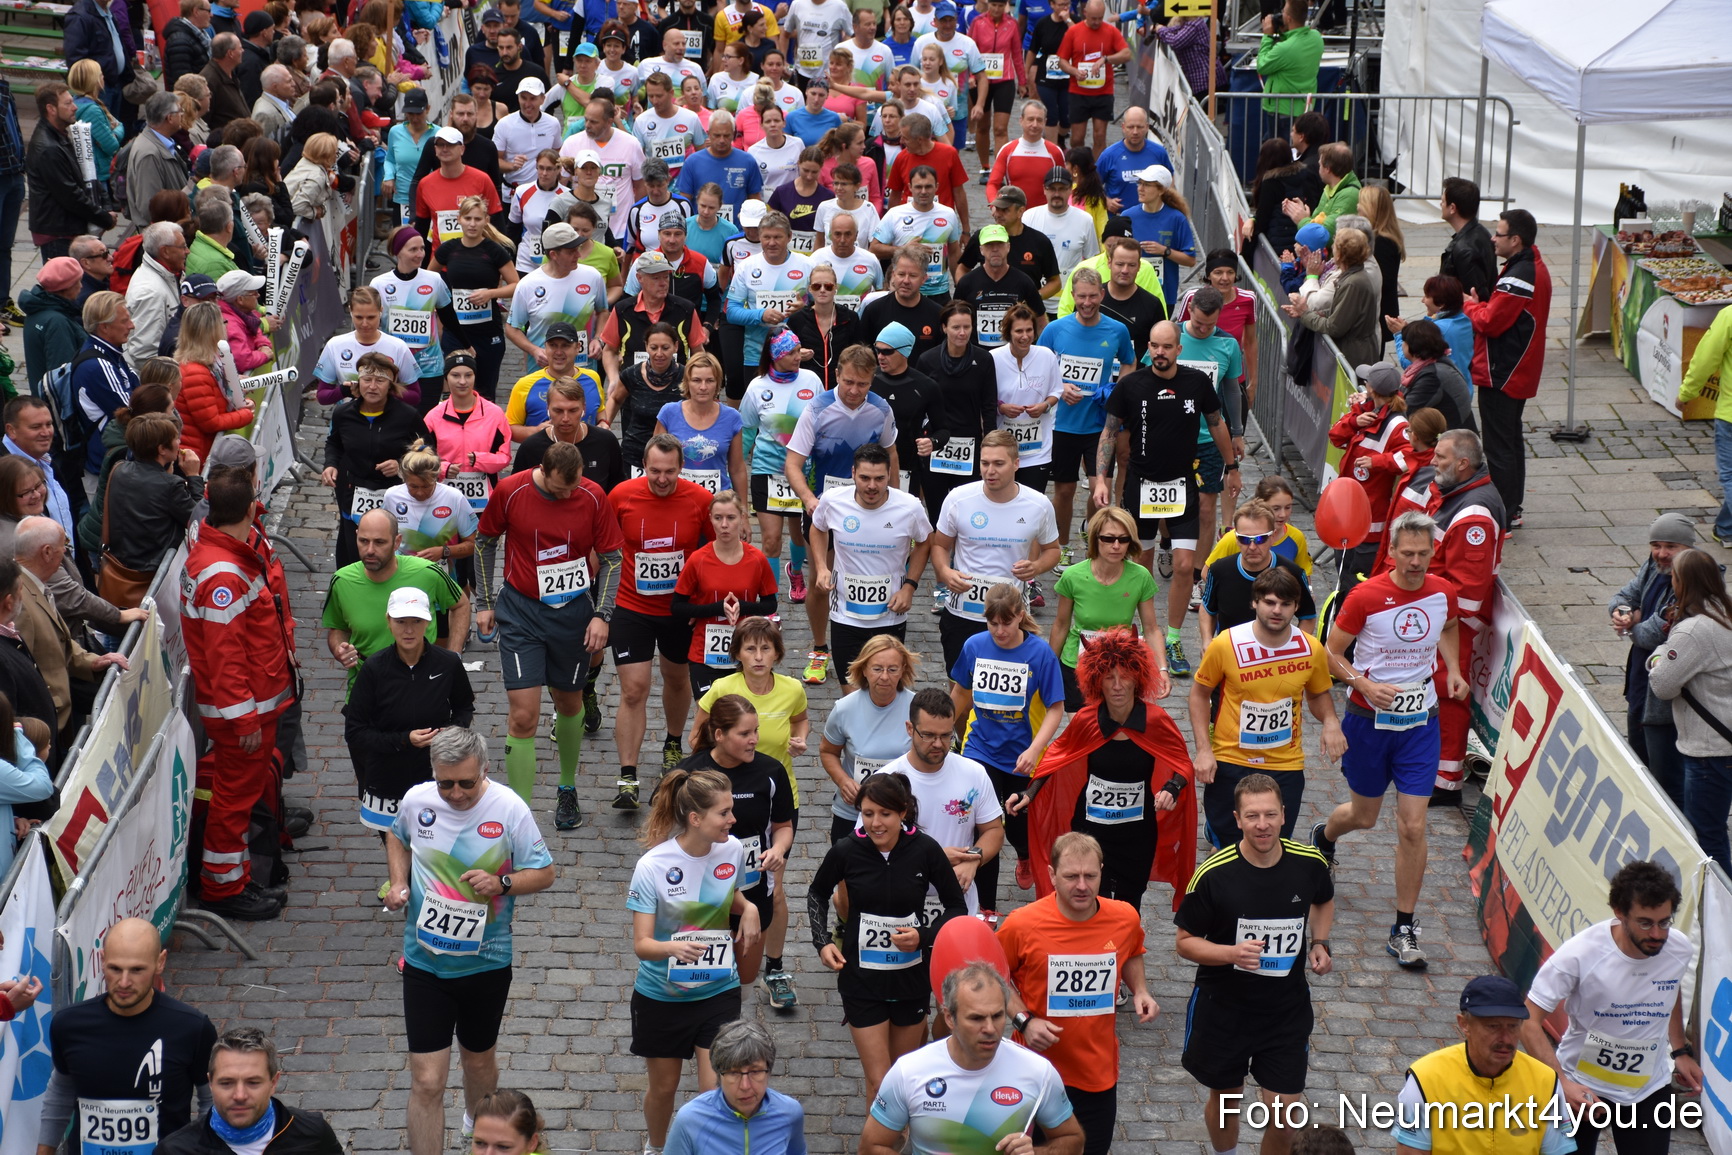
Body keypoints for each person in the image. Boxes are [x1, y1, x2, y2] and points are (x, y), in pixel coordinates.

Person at [381, 728, 554, 1155]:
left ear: (485, 771)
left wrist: (502, 882)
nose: (455, 794)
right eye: (445, 783)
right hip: (424, 964)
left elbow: (545, 872)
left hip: (486, 963)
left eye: (466, 783)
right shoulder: (418, 800)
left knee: (478, 1061)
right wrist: (399, 882)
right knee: (426, 1081)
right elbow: (396, 835)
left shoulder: (510, 808)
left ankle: (479, 1134)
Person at [1312, 510, 1466, 969]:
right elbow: (1330, 653)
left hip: (1421, 723)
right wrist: (1362, 684)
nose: (1416, 562)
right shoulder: (1366, 597)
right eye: (1408, 553)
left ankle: (1404, 927)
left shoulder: (1443, 593)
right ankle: (1325, 835)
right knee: (1364, 815)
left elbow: (1451, 626)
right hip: (1367, 721)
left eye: (1424, 553)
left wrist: (1453, 668)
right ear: (1393, 552)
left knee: (1413, 825)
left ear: (1432, 552)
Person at [1176, 773, 1334, 1155]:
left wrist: (1320, 942)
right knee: (1227, 1099)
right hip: (1224, 1008)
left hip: (1284, 1010)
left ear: (1283, 815)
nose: (1261, 825)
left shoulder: (1309, 862)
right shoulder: (1214, 874)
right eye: (1251, 816)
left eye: (1269, 815)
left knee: (1284, 1117)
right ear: (1237, 818)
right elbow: (1184, 943)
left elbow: (1323, 898)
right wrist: (1231, 953)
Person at [475, 441, 624, 827]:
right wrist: (485, 603)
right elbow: (483, 543)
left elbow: (612, 558)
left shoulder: (592, 496)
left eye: (572, 488)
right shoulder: (511, 491)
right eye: (559, 489)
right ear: (542, 469)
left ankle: (567, 787)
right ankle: (519, 812)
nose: (566, 495)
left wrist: (602, 615)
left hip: (572, 613)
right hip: (521, 612)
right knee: (523, 715)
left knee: (569, 703)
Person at [1522, 860, 1701, 1155]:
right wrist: (1561, 1083)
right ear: (1619, 913)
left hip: (1648, 1088)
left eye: (1664, 922)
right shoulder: (1580, 955)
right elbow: (1528, 1019)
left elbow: (1671, 987)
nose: (1657, 934)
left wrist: (1679, 1050)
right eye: (1645, 922)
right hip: (1581, 1085)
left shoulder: (1678, 948)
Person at [627, 769, 764, 1153]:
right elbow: (642, 944)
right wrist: (672, 948)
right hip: (661, 996)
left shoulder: (732, 850)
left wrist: (749, 906)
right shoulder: (653, 866)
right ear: (695, 818)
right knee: (664, 1088)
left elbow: (725, 894)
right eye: (724, 813)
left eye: (731, 810)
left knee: (716, 1089)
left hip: (718, 989)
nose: (733, 820)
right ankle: (656, 1148)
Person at [810, 771, 968, 1100]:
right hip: (862, 982)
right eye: (868, 814)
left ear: (903, 813)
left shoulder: (925, 850)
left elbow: (956, 906)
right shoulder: (846, 850)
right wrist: (822, 942)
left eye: (885, 814)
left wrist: (924, 936)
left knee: (903, 1081)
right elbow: (817, 893)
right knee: (880, 1082)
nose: (876, 823)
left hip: (909, 980)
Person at [997, 832, 1158, 1155]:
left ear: (1101, 871)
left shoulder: (1124, 917)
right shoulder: (1022, 925)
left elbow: (1133, 950)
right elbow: (993, 977)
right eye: (1071, 876)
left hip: (1096, 1075)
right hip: (1034, 1073)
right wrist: (1025, 1021)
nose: (1082, 885)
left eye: (1090, 876)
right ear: (1052, 874)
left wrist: (1140, 989)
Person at [1096, 320, 1238, 677]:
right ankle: (1144, 636)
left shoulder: (1196, 382)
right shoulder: (1130, 385)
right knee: (1141, 566)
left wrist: (1232, 467)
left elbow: (1217, 423)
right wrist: (1101, 477)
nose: (1160, 353)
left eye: (1166, 347)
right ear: (1149, 348)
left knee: (1182, 565)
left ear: (1179, 349)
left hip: (1182, 485)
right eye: (1154, 347)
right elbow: (1109, 432)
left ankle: (1173, 637)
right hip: (1141, 486)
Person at [861, 962, 1085, 1155]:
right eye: (976, 1018)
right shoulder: (909, 1071)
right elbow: (871, 1146)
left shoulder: (1038, 1071)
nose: (990, 1028)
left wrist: (1035, 1152)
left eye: (997, 1016)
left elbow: (1073, 1141)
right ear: (949, 1017)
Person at [37, 919, 219, 1155]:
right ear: (102, 960)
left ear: (160, 962)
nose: (124, 982)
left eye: (137, 970)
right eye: (115, 969)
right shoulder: (69, 1025)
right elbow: (60, 1092)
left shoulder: (191, 1028)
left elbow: (211, 1100)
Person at [1191, 564, 1340, 850]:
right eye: (1270, 602)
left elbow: (1319, 693)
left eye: (1286, 604)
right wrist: (1203, 750)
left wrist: (1331, 721)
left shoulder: (1311, 649)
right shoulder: (1226, 644)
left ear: (1296, 606)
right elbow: (1199, 695)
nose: (1277, 610)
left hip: (1285, 764)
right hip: (1232, 759)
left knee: (1272, 845)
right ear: (1254, 602)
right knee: (1231, 847)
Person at [606, 433, 715, 813]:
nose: (662, 479)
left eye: (670, 471)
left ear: (681, 468)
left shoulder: (700, 500)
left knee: (676, 677)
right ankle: (628, 774)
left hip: (678, 611)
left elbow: (715, 550)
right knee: (634, 689)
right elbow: (601, 544)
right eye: (655, 471)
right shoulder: (621, 495)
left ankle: (672, 742)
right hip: (631, 606)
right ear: (644, 467)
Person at [784, 345, 900, 683]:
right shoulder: (817, 409)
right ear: (836, 376)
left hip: (871, 506)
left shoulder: (881, 409)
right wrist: (809, 499)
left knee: (872, 576)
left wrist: (897, 503)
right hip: (826, 510)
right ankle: (820, 649)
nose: (854, 391)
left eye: (862, 384)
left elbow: (891, 455)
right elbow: (793, 463)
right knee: (822, 581)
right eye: (848, 382)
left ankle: (872, 649)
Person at [949, 582, 1065, 898]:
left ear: (1020, 616)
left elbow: (1056, 708)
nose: (1000, 630)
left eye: (1007, 622)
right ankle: (986, 905)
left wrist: (1035, 749)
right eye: (993, 623)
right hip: (979, 749)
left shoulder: (1040, 653)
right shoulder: (974, 646)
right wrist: (943, 728)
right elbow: (961, 691)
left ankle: (1025, 854)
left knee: (1018, 825)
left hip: (1021, 756)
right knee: (984, 825)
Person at [343, 587, 476, 840]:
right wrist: (404, 740)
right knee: (396, 845)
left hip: (437, 776)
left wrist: (452, 733)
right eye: (401, 621)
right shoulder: (373, 669)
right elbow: (356, 732)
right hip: (387, 777)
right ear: (388, 622)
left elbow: (464, 706)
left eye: (416, 621)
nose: (408, 629)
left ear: (428, 621)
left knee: (436, 843)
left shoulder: (448, 663)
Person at [1395, 976, 1576, 1155]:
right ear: (1464, 1024)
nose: (1506, 1039)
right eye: (1493, 1026)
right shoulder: (1426, 1079)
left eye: (1513, 1027)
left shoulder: (1545, 1081)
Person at [1424, 429, 1506, 804]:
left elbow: (1469, 594)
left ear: (1462, 463)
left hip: (1453, 626)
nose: (1432, 462)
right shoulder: (1459, 497)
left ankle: (1445, 781)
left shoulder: (1474, 513)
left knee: (1448, 696)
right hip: (1442, 620)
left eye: (1440, 457)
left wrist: (1431, 615)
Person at [932, 429, 1059, 668]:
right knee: (959, 690)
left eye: (999, 464)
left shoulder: (1038, 504)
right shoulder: (958, 498)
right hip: (963, 612)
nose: (990, 471)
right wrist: (945, 572)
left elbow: (1053, 550)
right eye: (985, 463)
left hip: (1011, 616)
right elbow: (940, 544)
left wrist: (1036, 566)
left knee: (1009, 688)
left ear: (1016, 464)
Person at [810, 442, 933, 681]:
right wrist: (821, 567)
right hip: (845, 613)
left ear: (889, 475)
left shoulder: (909, 506)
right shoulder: (833, 500)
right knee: (851, 692)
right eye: (865, 477)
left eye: (879, 478)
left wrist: (909, 587)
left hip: (890, 614)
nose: (872, 486)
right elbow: (817, 527)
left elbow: (925, 542)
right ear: (853, 473)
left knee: (885, 688)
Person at [1463, 208, 1551, 529]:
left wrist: (1468, 305)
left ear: (1516, 240)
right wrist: (1485, 303)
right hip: (1518, 369)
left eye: (1498, 234)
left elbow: (1491, 322)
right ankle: (1512, 508)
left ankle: (1502, 515)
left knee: (1499, 446)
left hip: (1504, 371)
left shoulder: (1519, 273)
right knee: (1511, 441)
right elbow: (1504, 312)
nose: (1492, 239)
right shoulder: (1529, 264)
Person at [1041, 271, 1135, 568]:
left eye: (1092, 296)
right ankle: (1063, 547)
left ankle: (1092, 545)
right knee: (1065, 490)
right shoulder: (1056, 329)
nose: (1087, 302)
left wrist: (1118, 392)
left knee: (1099, 491)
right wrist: (1059, 386)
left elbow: (1130, 361)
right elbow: (1038, 366)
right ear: (1073, 296)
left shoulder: (1117, 330)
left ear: (1102, 295)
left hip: (1100, 426)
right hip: (1062, 425)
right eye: (1081, 296)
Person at [1646, 548, 1732, 872]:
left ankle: (1720, 912)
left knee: (1706, 839)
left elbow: (1662, 685)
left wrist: (1656, 657)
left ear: (1685, 582)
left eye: (1675, 577)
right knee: (1714, 829)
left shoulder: (1694, 630)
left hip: (1708, 752)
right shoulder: (1724, 612)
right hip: (1724, 742)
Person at [322, 507, 468, 696]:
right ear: (356, 536)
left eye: (380, 542)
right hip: (367, 690)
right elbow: (337, 628)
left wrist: (453, 656)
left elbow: (461, 605)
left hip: (422, 687)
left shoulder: (427, 572)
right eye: (363, 541)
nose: (370, 550)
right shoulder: (342, 581)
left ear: (397, 541)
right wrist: (339, 649)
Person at [1610, 514, 1694, 808]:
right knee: (1640, 765)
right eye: (1656, 545)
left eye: (1670, 546)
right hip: (1639, 688)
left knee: (1668, 779)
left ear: (1688, 548)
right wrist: (1623, 611)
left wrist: (1632, 624)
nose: (1661, 553)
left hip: (1663, 703)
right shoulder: (1653, 568)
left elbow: (1648, 636)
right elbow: (1624, 595)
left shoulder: (1691, 586)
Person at [320, 353, 434, 568]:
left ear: (390, 385)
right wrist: (330, 464)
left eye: (380, 381)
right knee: (353, 553)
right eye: (367, 380)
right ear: (358, 382)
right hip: (353, 491)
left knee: (389, 553)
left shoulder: (407, 416)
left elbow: (428, 449)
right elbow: (334, 443)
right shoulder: (343, 413)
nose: (372, 386)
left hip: (393, 494)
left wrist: (401, 466)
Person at [157, 1026, 344, 1155]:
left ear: (273, 1082)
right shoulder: (176, 1150)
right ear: (211, 1083)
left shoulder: (313, 1133)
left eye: (253, 1082)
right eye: (226, 1083)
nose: (240, 1095)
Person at [1049, 506, 1162, 711]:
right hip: (1078, 665)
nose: (1116, 545)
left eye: (1123, 539)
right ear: (1095, 539)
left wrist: (1162, 669)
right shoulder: (1072, 576)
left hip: (1122, 669)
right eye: (1108, 539)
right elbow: (1061, 624)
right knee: (1084, 734)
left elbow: (1151, 628)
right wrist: (1048, 666)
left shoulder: (1141, 576)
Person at [672, 489, 777, 699]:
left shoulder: (757, 559)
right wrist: (716, 608)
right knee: (710, 720)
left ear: (742, 518)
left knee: (742, 720)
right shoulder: (698, 559)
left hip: (747, 655)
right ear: (710, 519)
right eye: (718, 518)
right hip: (705, 653)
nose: (724, 525)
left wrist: (743, 607)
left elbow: (770, 604)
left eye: (731, 518)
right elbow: (677, 607)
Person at [819, 635, 920, 835]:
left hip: (901, 812)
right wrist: (843, 781)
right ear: (864, 669)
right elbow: (827, 751)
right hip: (853, 812)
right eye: (877, 669)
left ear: (903, 671)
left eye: (892, 669)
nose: (884, 677)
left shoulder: (917, 708)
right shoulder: (844, 708)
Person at [665, 1021, 808, 1155]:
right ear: (718, 1073)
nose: (745, 1086)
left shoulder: (790, 1113)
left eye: (755, 1071)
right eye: (734, 1073)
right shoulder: (690, 1120)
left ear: (768, 1071)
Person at [431, 196, 520, 402]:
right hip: (456, 331)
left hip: (487, 331)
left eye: (478, 219)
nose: (472, 224)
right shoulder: (448, 249)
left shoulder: (494, 251)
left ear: (486, 220)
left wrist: (490, 294)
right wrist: (439, 309)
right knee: (456, 388)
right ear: (459, 219)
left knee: (485, 392)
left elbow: (516, 285)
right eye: (468, 218)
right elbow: (429, 280)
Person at [100, 413, 204, 581]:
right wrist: (193, 476)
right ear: (162, 449)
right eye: (176, 438)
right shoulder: (171, 485)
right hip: (153, 575)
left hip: (121, 564)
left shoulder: (120, 469)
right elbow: (199, 519)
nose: (179, 443)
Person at [25, 84, 115, 260]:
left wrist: (105, 207)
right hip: (58, 232)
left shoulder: (58, 137)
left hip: (65, 227)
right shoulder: (48, 148)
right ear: (51, 109)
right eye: (67, 104)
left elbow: (85, 176)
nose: (74, 107)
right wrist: (104, 217)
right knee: (65, 283)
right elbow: (70, 194)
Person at [313, 287, 423, 405]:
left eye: (371, 317)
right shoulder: (335, 345)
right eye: (359, 317)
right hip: (347, 420)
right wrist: (344, 391)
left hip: (386, 421)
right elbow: (322, 397)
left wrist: (386, 389)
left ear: (381, 311)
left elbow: (415, 396)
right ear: (350, 312)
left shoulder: (398, 347)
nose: (365, 324)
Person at [1053, 1, 1127, 157]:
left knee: (1099, 136)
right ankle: (1078, 170)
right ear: (1085, 13)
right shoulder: (1073, 31)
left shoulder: (1110, 31)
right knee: (1077, 139)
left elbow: (1126, 54)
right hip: (1078, 92)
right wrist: (1074, 71)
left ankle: (1097, 174)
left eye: (1100, 18)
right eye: (1093, 18)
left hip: (1103, 92)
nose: (1097, 22)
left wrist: (1106, 59)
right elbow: (1061, 60)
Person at [1023, 166, 1098, 314]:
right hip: (1036, 302)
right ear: (1044, 189)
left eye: (1062, 188)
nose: (1056, 194)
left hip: (1071, 302)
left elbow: (1092, 262)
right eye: (1052, 189)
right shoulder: (1029, 217)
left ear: (1071, 189)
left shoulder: (1085, 220)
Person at [1123, 165, 1197, 308]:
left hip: (1163, 294)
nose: (1140, 188)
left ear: (1161, 190)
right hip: (1131, 291)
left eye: (1147, 185)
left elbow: (1190, 260)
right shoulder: (1128, 216)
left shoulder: (1177, 219)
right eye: (1140, 183)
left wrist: (1165, 251)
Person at [1395, 319, 1476, 433]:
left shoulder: (1432, 376)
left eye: (1404, 341)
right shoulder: (1435, 364)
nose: (1402, 345)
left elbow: (1406, 411)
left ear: (1412, 346)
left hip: (1451, 442)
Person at [985, 101, 1065, 207]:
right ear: (1021, 120)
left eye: (1039, 120)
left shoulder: (1055, 152)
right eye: (1030, 119)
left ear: (1045, 122)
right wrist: (994, 205)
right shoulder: (1007, 150)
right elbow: (993, 184)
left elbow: (1066, 186)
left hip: (1045, 217)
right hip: (1014, 217)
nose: (1035, 124)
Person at [1255, 0, 1322, 118]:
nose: (1281, 14)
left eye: (1283, 11)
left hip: (1281, 111)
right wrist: (1284, 32)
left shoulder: (1284, 49)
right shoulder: (1316, 37)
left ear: (1289, 19)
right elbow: (1293, 44)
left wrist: (1267, 36)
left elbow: (1262, 66)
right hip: (1304, 108)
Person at [1438, 176, 1497, 302]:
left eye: (1443, 201)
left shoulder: (1466, 250)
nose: (1440, 204)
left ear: (1452, 208)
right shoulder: (1481, 232)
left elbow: (1475, 297)